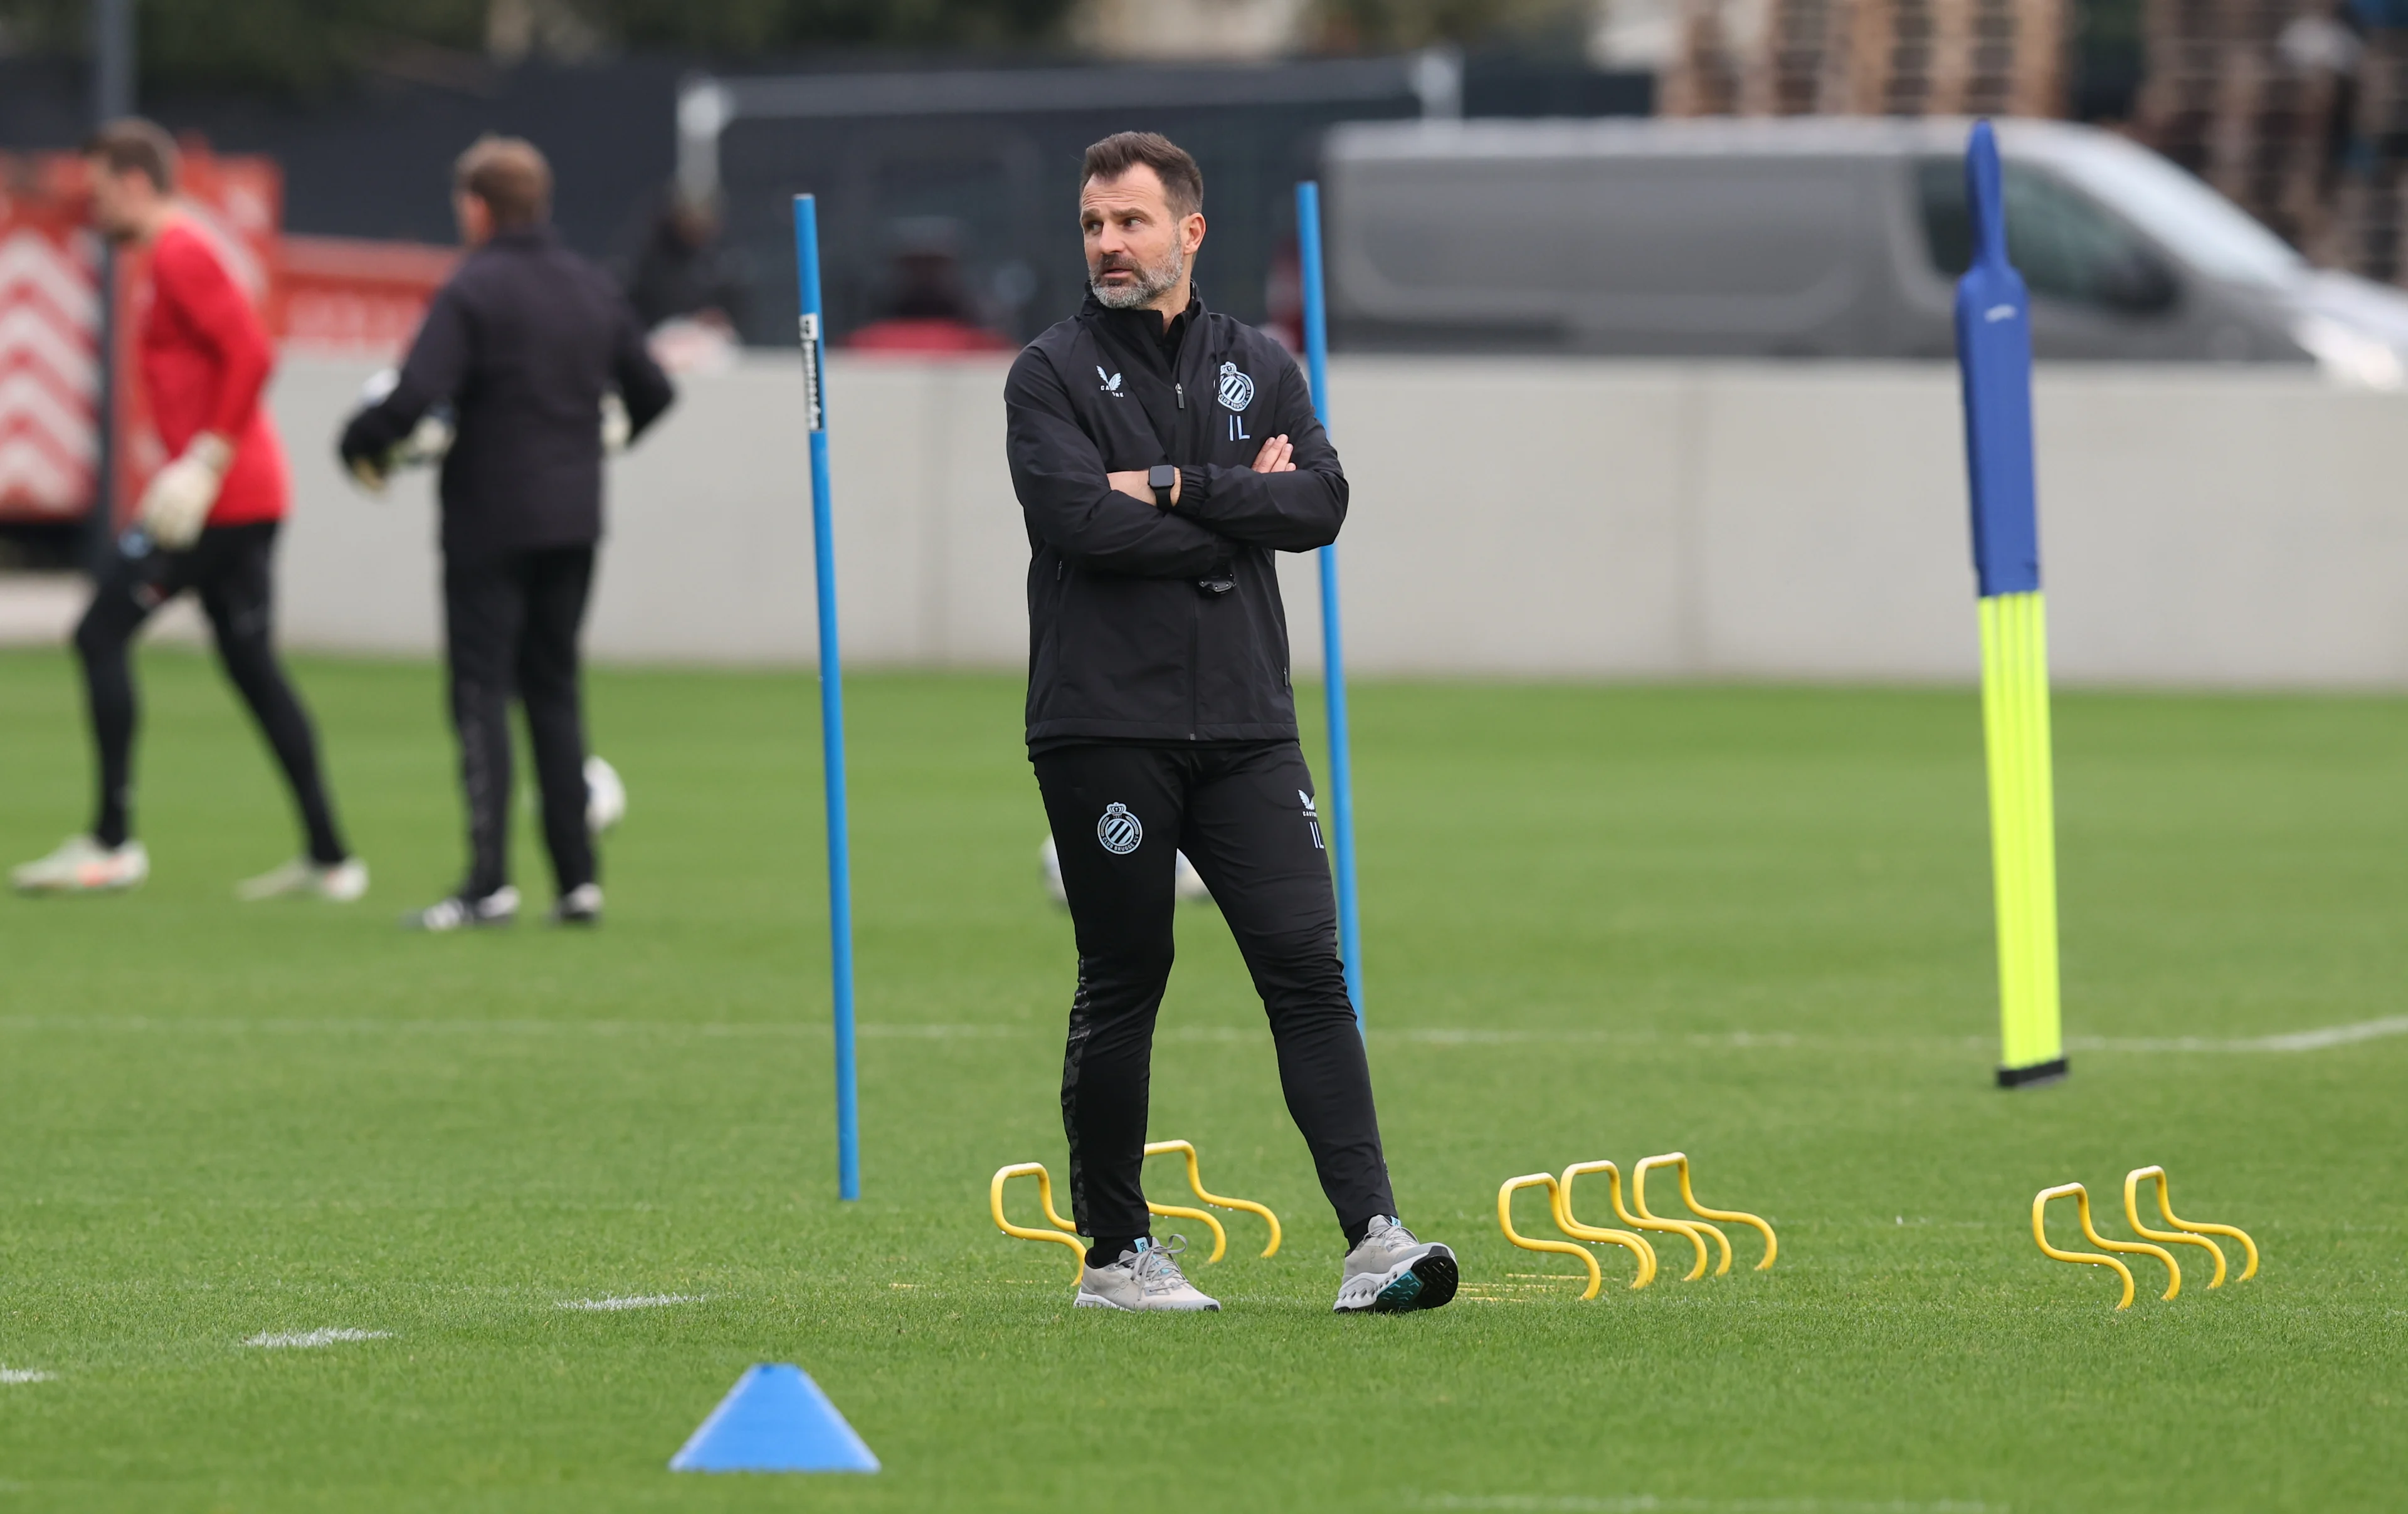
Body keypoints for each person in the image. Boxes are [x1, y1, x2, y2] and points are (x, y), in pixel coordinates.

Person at [1003, 131, 1458, 1315]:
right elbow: (1075, 523)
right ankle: (1115, 1257)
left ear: (1189, 234)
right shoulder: (1046, 375)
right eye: (1095, 223)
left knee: (1308, 970)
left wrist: (1175, 482)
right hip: (1105, 725)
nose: (1108, 243)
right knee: (1127, 974)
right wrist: (1238, 504)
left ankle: (1375, 1241)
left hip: (1249, 724)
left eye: (1132, 222)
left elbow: (1321, 501)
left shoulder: (1260, 359)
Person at [11, 119, 363, 903]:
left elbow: (252, 352)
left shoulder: (179, 251)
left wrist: (206, 459)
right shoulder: (173, 250)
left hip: (222, 502)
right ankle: (332, 856)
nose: (95, 210)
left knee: (99, 632)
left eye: (101, 191)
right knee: (251, 667)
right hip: (241, 496)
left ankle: (111, 841)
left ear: (135, 182)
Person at [339, 135, 673, 932]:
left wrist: (358, 440)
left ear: (477, 206)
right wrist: (610, 435)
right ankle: (577, 881)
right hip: (573, 521)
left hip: (489, 521)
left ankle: (488, 883)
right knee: (554, 690)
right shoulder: (590, 287)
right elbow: (654, 388)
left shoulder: (474, 289)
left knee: (481, 694)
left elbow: (417, 392)